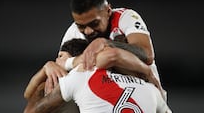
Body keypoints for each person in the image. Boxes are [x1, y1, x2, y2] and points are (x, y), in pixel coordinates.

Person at [24, 38, 171, 113]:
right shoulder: (151, 90)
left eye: (60, 57)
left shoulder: (78, 77)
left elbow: (30, 109)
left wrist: (49, 69)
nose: (58, 62)